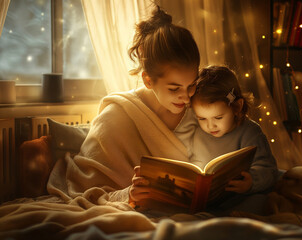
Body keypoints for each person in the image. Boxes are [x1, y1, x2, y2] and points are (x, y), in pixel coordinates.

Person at [47, 7, 201, 205]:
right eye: (174, 89)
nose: (186, 98)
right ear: (147, 80)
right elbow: (88, 187)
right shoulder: (117, 115)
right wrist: (127, 194)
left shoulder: (201, 107)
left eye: (192, 85)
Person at [186, 65, 278, 214]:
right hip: (207, 202)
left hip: (241, 198)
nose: (210, 125)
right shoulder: (195, 132)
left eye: (218, 117)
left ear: (237, 107)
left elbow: (268, 169)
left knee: (260, 202)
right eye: (202, 118)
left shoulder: (250, 132)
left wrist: (251, 182)